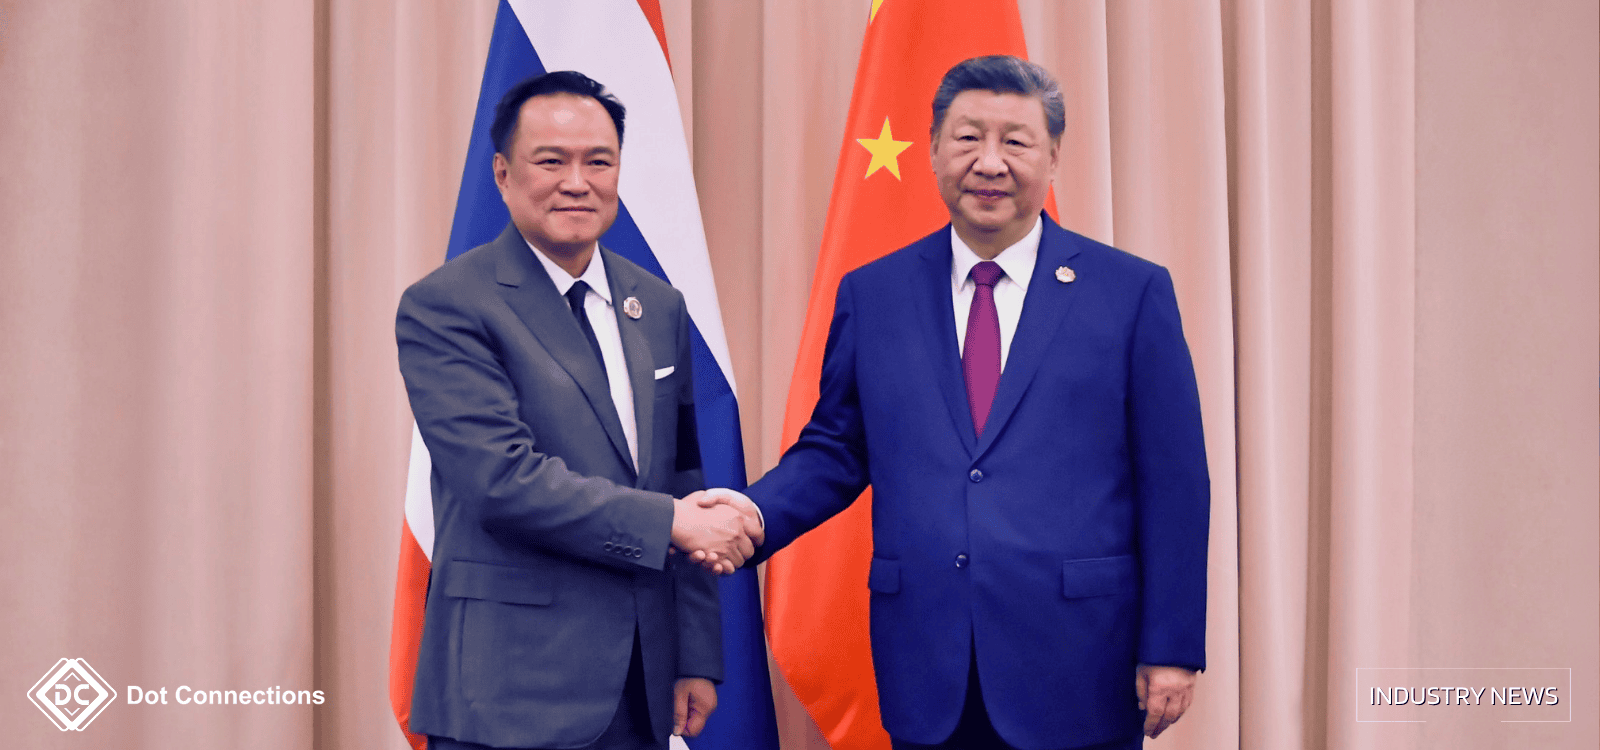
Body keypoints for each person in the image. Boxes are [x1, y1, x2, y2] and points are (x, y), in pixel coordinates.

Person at [702, 55, 1209, 750]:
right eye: (968, 138)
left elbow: (1175, 482)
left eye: (1016, 141)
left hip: (1081, 662)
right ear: (934, 149)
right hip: (928, 664)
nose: (990, 162)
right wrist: (753, 513)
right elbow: (836, 449)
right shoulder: (873, 294)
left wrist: (1173, 644)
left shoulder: (1130, 293)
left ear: (1054, 156)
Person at [397, 70, 760, 750]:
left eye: (599, 161)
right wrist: (674, 524)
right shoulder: (447, 305)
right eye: (551, 161)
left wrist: (694, 655)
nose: (577, 181)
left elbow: (680, 474)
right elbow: (500, 482)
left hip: (643, 683)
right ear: (503, 174)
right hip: (510, 688)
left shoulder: (656, 304)